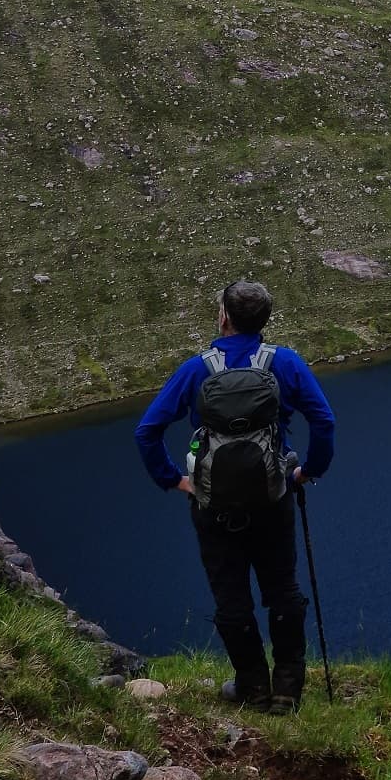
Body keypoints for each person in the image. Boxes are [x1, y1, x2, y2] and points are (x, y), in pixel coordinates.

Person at [134, 280, 336, 709]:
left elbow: (147, 432)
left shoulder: (196, 370)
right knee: (282, 589)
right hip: (273, 499)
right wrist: (306, 472)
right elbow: (324, 422)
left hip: (214, 507)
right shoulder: (284, 363)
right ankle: (287, 692)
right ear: (264, 320)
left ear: (223, 316)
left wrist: (174, 479)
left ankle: (252, 689)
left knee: (231, 597)